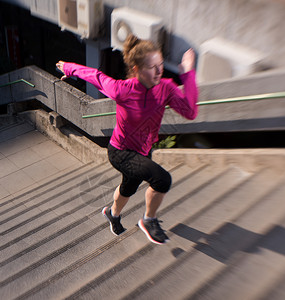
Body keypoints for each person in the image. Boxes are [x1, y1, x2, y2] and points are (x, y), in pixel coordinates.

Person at [56, 34, 198, 245]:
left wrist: (188, 74)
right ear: (137, 70)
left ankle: (112, 214)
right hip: (120, 151)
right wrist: (68, 68)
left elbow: (190, 111)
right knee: (162, 179)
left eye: (160, 65)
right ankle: (148, 220)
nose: (159, 71)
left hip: (143, 151)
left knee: (128, 188)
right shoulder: (123, 89)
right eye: (152, 67)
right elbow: (95, 75)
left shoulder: (166, 87)